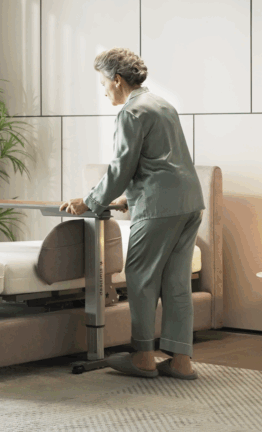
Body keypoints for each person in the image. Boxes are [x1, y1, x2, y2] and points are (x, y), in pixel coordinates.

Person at [59, 47, 205, 380]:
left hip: (159, 207)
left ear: (118, 79)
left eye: (103, 83)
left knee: (139, 278)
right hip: (189, 203)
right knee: (177, 283)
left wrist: (90, 200)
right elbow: (162, 161)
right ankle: (181, 361)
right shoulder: (164, 105)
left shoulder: (131, 112)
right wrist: (128, 199)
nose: (104, 90)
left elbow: (122, 167)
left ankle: (142, 356)